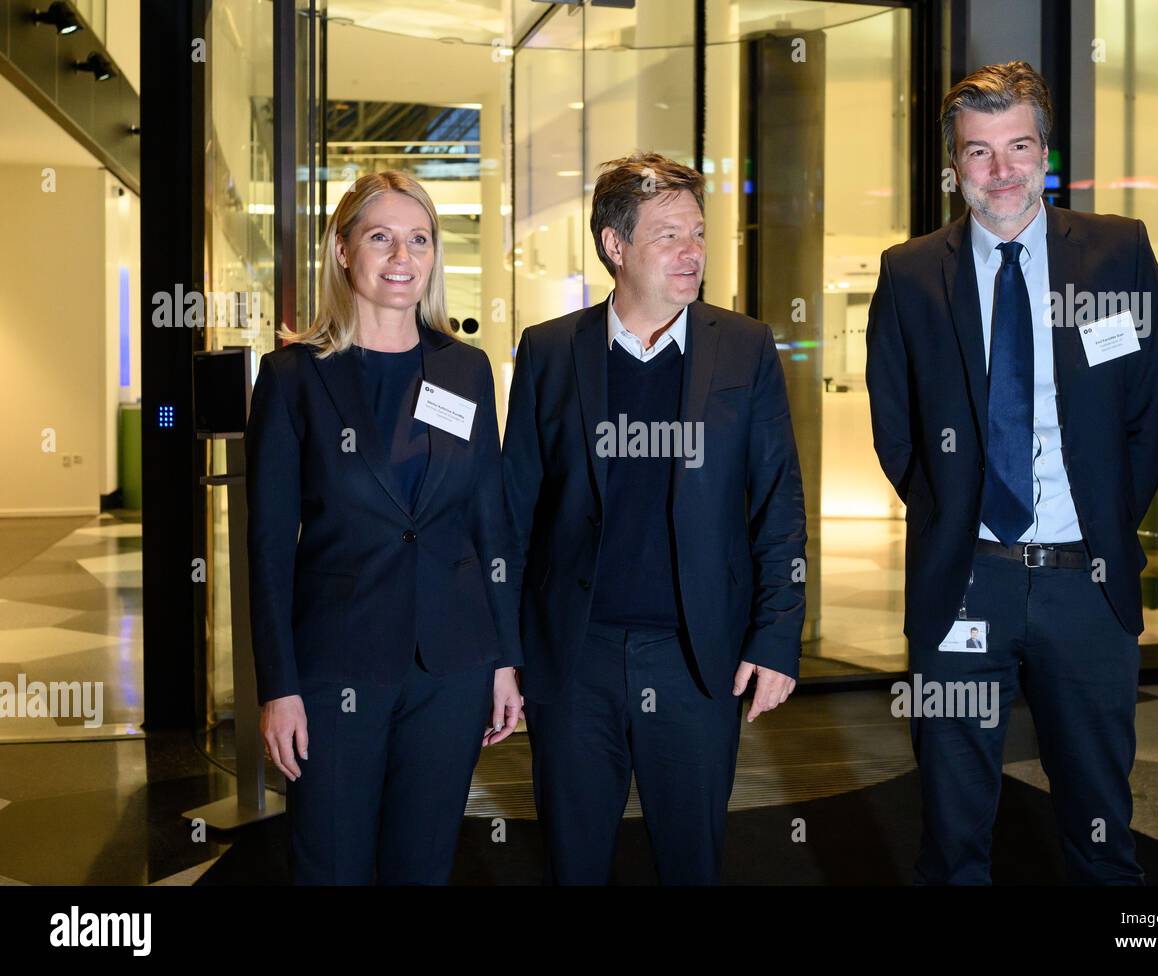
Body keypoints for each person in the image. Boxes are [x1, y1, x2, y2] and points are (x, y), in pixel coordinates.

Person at [865, 61, 1158, 884]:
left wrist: (1102, 518)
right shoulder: (909, 272)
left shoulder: (1117, 252)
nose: (1000, 171)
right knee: (954, 821)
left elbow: (1152, 411)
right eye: (979, 152)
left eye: (1017, 146)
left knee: (1101, 824)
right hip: (966, 580)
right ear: (954, 164)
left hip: (1089, 582)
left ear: (1045, 151)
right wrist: (953, 521)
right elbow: (895, 427)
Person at [502, 152, 807, 884]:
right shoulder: (550, 352)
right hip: (574, 659)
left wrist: (776, 636)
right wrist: (501, 654)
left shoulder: (744, 346)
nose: (691, 252)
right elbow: (513, 511)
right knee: (574, 862)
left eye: (698, 234)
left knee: (692, 862)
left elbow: (778, 503)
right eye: (669, 235)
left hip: (696, 659)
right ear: (616, 246)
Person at [245, 170, 524, 884]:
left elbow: (489, 522)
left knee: (423, 864)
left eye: (419, 239)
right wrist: (278, 689)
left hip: (452, 668)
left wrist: (503, 659)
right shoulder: (293, 379)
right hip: (337, 667)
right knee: (331, 863)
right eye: (381, 237)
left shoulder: (465, 370)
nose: (403, 257)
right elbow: (270, 551)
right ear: (343, 250)